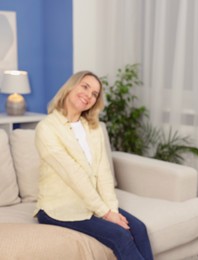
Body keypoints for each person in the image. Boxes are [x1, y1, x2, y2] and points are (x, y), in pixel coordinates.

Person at [34, 71, 154, 260]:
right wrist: (105, 213)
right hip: (58, 208)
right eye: (85, 87)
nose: (88, 95)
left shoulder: (94, 128)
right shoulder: (47, 128)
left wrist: (112, 210)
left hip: (91, 204)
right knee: (120, 235)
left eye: (94, 94)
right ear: (71, 87)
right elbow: (73, 175)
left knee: (138, 229)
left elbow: (103, 172)